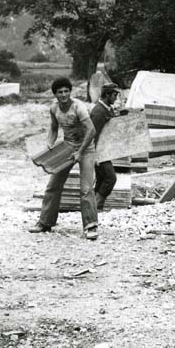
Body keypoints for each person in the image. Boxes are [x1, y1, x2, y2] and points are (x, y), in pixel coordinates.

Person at [28, 77, 99, 240]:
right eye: (60, 92)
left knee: (86, 188)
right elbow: (53, 128)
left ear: (70, 92)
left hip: (86, 149)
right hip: (68, 147)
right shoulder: (54, 108)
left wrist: (80, 152)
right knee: (53, 186)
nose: (64, 95)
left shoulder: (78, 107)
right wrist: (50, 144)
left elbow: (91, 130)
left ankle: (91, 226)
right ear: (55, 94)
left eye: (66, 91)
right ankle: (45, 222)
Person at [88, 82, 123, 210]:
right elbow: (92, 135)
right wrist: (95, 156)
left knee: (102, 178)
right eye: (114, 95)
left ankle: (95, 208)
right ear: (107, 95)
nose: (116, 98)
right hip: (99, 153)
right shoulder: (98, 112)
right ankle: (97, 204)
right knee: (110, 178)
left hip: (104, 151)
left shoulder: (107, 108)